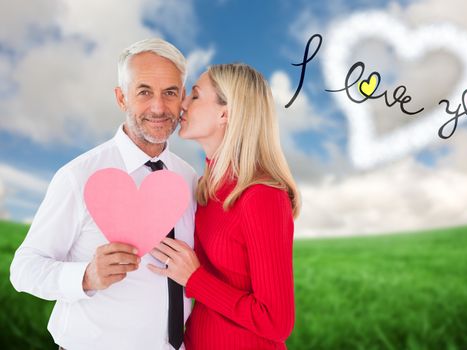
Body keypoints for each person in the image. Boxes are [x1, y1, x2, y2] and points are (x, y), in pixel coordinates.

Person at [10, 38, 197, 350]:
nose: (159, 107)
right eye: (144, 92)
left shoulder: (189, 179)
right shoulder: (78, 176)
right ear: (121, 98)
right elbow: (23, 269)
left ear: (182, 99)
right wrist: (85, 276)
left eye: (170, 92)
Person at [147, 63, 300, 349]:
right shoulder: (205, 188)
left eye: (195, 95)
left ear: (224, 113)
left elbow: (277, 322)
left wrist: (195, 279)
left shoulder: (262, 195)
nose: (182, 104)